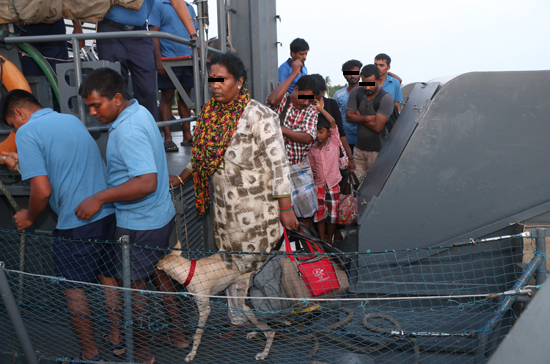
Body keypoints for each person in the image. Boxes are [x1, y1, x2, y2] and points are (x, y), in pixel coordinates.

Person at [169, 53, 299, 336]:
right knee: (230, 265)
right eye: (212, 79)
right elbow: (203, 155)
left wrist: (286, 208)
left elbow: (279, 165)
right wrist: (181, 177)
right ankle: (238, 320)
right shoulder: (209, 114)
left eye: (222, 79)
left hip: (257, 214)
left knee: (254, 268)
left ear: (239, 82)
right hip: (225, 214)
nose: (215, 85)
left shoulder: (260, 115)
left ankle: (268, 316)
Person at [75, 68, 188, 363]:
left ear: (116, 98)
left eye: (96, 105)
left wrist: (98, 197)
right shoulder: (140, 113)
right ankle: (177, 334)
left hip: (138, 223)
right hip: (160, 216)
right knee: (160, 273)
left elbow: (146, 181)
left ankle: (142, 353)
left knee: (131, 288)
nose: (92, 113)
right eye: (88, 106)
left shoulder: (126, 130)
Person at [0, 89, 117, 363]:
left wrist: (29, 216)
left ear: (19, 113)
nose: (16, 132)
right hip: (107, 213)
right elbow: (63, 165)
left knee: (73, 288)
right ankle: (117, 337)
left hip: (76, 222)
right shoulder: (71, 120)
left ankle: (90, 354)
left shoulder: (28, 132)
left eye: (14, 125)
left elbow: (41, 191)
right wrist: (15, 161)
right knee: (110, 279)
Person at [96, 0, 197, 121]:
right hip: (110, 29)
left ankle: (148, 133)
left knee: (147, 90)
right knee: (112, 89)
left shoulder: (187, 7)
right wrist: (78, 25)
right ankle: (116, 134)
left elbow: (176, 2)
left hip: (140, 33)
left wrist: (194, 35)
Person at [150, 0, 198, 152]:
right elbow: (154, 34)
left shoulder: (190, 8)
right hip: (168, 60)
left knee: (186, 97)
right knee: (167, 96)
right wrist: (158, 59)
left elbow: (195, 34)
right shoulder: (158, 5)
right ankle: (168, 138)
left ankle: (187, 135)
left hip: (188, 59)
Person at [346, 64, 395, 181]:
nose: (367, 87)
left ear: (378, 80)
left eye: (371, 84)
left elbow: (377, 127)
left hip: (378, 151)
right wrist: (368, 118)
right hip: (359, 149)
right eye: (364, 83)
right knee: (357, 184)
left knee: (374, 186)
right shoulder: (356, 93)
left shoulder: (386, 98)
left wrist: (358, 116)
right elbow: (348, 117)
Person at [310, 74, 354, 173]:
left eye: (316, 92)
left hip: (332, 156)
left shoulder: (331, 104)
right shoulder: (305, 105)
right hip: (314, 156)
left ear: (323, 91)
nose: (312, 95)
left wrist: (350, 158)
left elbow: (340, 132)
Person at [308, 116, 342, 244]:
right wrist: (312, 171)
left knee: (333, 217)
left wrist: (319, 108)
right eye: (316, 132)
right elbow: (311, 166)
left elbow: (333, 121)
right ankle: (322, 241)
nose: (318, 135)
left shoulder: (333, 142)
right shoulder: (313, 149)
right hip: (319, 186)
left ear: (329, 132)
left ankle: (329, 240)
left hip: (333, 185)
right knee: (320, 216)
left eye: (321, 132)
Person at [334, 59, 362, 150]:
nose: (353, 76)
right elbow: (333, 115)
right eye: (349, 73)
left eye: (355, 73)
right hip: (345, 140)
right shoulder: (338, 95)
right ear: (344, 75)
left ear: (360, 74)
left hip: (364, 140)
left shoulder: (367, 92)